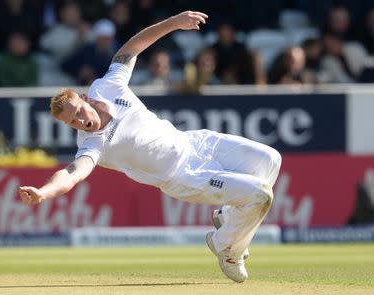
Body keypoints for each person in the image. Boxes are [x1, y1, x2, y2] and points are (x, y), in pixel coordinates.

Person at [18, 11, 281, 283]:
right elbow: (72, 173)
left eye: (79, 112)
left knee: (270, 160)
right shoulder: (92, 145)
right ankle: (227, 247)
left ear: (85, 98)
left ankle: (228, 220)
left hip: (195, 142)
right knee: (260, 195)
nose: (81, 121)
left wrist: (174, 23)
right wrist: (44, 193)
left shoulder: (106, 86)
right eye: (72, 122)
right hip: (184, 176)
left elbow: (130, 49)